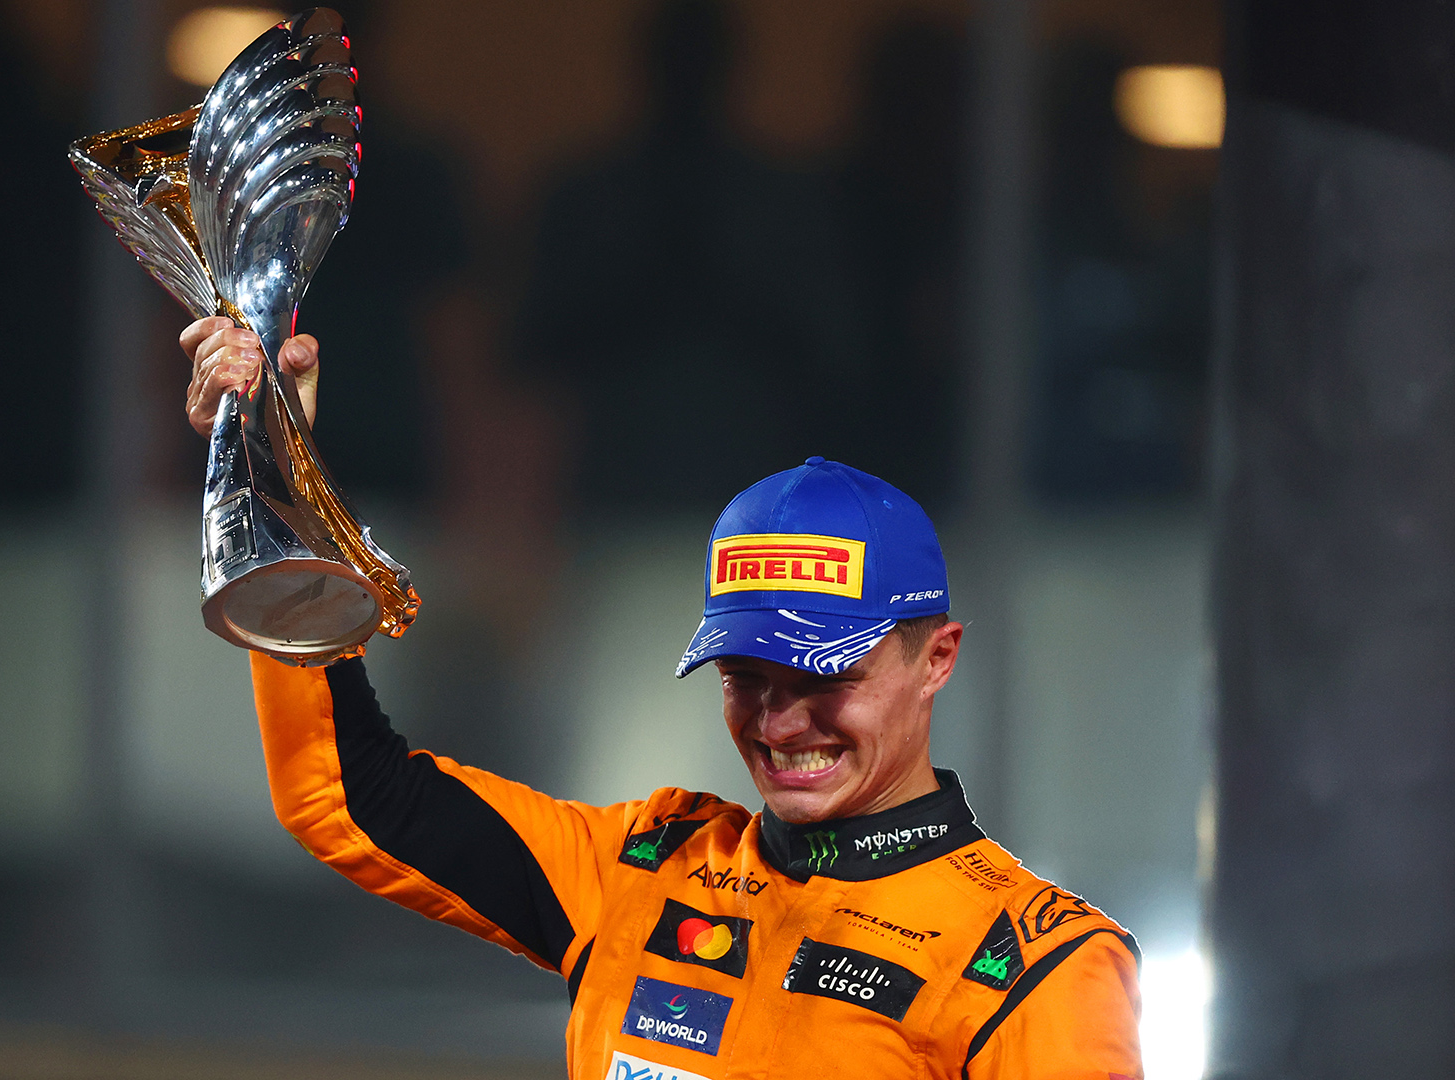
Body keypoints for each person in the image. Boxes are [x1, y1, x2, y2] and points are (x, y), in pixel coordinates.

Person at [179, 319, 1143, 1079]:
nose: (778, 723)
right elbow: (350, 798)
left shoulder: (1041, 968)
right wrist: (276, 479)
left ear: (938, 658)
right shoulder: (641, 871)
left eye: (825, 680)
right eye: (746, 678)